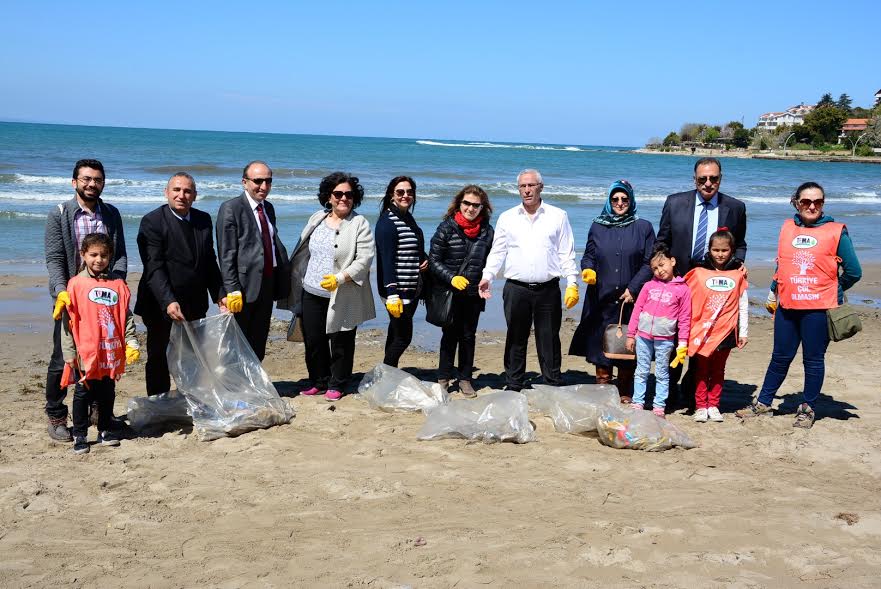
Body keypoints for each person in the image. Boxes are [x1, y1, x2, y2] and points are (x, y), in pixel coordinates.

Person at [737, 182, 862, 429]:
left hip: (818, 309)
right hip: (788, 306)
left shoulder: (836, 231)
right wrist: (773, 292)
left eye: (818, 202)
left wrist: (833, 289)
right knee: (779, 357)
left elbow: (854, 272)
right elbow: (782, 264)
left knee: (813, 360)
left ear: (823, 204)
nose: (812, 206)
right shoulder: (787, 228)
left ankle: (807, 408)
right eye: (806, 201)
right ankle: (763, 403)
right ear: (797, 202)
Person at [44, 159, 127, 443]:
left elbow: (121, 255)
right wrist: (60, 291)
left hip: (104, 299)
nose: (92, 184)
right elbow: (55, 258)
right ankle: (56, 415)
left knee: (102, 357)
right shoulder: (60, 214)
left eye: (97, 180)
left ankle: (97, 413)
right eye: (86, 179)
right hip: (72, 299)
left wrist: (117, 284)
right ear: (74, 182)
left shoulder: (111, 214)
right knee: (63, 359)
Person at [656, 157, 747, 406]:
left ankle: (691, 390)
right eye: (702, 179)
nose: (708, 183)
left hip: (713, 283)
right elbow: (662, 241)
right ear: (694, 179)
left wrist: (736, 265)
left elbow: (739, 245)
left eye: (713, 178)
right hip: (680, 281)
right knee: (674, 338)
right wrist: (662, 271)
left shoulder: (735, 207)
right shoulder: (675, 203)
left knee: (703, 336)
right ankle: (669, 389)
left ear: (721, 178)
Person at [478, 169, 579, 391]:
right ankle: (514, 383)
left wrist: (572, 282)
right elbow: (497, 252)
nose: (527, 190)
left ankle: (552, 381)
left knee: (549, 338)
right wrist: (487, 276)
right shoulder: (507, 217)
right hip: (516, 288)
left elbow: (566, 253)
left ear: (541, 187)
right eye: (523, 186)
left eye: (531, 185)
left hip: (548, 289)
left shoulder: (558, 216)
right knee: (515, 337)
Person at [280, 172, 376, 401]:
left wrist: (340, 278)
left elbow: (364, 259)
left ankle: (338, 383)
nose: (344, 198)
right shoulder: (317, 218)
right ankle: (318, 381)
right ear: (329, 197)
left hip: (342, 292)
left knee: (342, 340)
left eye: (349, 194)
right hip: (311, 291)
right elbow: (303, 250)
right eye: (338, 194)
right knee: (314, 341)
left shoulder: (359, 223)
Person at [135, 173, 226, 396]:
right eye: (176, 190)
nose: (181, 195)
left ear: (195, 196)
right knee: (158, 357)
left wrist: (219, 294)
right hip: (160, 302)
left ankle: (191, 399)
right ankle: (159, 404)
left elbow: (209, 261)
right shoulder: (152, 221)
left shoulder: (203, 220)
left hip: (194, 302)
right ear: (166, 192)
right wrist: (168, 300)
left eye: (187, 191)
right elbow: (153, 267)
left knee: (192, 355)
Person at [568, 180, 655, 403]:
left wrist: (633, 288)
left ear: (631, 200)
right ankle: (603, 388)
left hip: (631, 299)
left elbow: (649, 262)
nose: (620, 203)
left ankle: (625, 390)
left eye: (624, 199)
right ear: (609, 200)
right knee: (601, 345)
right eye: (615, 199)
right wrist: (587, 269)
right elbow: (589, 255)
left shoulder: (643, 227)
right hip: (601, 296)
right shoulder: (597, 226)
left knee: (627, 344)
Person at [60, 233, 139, 454]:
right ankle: (80, 434)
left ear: (110, 257)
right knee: (83, 393)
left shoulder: (118, 284)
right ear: (83, 255)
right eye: (93, 254)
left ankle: (104, 429)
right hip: (86, 352)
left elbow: (126, 317)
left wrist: (131, 341)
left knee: (107, 391)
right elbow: (67, 322)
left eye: (104, 255)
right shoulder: (75, 284)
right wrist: (69, 352)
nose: (99, 259)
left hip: (110, 352)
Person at [216, 161, 290, 360]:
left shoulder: (269, 208)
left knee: (259, 339)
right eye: (258, 181)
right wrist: (231, 290)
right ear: (244, 182)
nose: (264, 186)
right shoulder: (231, 208)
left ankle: (254, 383)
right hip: (242, 287)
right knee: (237, 343)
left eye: (268, 181)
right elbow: (226, 254)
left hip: (267, 282)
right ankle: (235, 388)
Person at [428, 185, 495, 397]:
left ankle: (466, 379)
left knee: (468, 336)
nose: (470, 208)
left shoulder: (487, 231)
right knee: (449, 336)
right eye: (466, 203)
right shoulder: (446, 228)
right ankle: (443, 378)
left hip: (473, 294)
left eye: (476, 205)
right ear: (459, 203)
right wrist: (451, 277)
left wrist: (487, 280)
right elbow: (433, 261)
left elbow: (492, 261)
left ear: (482, 208)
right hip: (450, 293)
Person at [683, 229, 748, 423]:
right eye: (715, 249)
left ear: (732, 251)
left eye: (724, 250)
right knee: (701, 370)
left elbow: (742, 305)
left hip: (727, 331)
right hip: (704, 331)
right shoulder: (699, 272)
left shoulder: (738, 275)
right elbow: (687, 295)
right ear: (709, 250)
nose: (720, 254)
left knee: (719, 370)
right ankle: (701, 406)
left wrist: (743, 332)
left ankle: (714, 405)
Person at [625, 243, 691, 418]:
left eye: (662, 265)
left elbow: (685, 319)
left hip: (665, 339)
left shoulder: (683, 289)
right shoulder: (648, 286)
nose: (659, 271)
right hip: (643, 337)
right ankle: (638, 402)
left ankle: (659, 406)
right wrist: (631, 335)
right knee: (641, 370)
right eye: (655, 268)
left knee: (662, 373)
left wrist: (683, 344)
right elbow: (637, 311)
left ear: (672, 261)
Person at [375, 175, 428, 367]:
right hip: (397, 292)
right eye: (400, 192)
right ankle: (386, 372)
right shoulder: (387, 222)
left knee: (395, 333)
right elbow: (386, 261)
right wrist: (392, 294)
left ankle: (389, 373)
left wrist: (424, 260)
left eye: (409, 192)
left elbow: (412, 250)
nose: (405, 195)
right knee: (403, 338)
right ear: (392, 195)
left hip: (411, 289)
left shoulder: (407, 218)